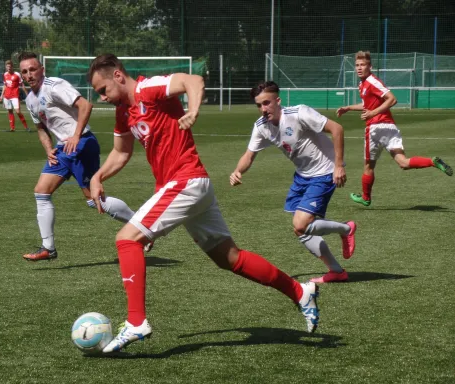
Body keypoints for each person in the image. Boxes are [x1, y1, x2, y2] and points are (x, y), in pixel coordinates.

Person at [87, 53, 321, 354]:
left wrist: (194, 110)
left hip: (185, 182)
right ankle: (301, 291)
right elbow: (121, 152)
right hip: (189, 187)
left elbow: (192, 80)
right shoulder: (124, 112)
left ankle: (136, 322)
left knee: (126, 240)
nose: (103, 98)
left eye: (103, 90)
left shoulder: (148, 89)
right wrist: (98, 176)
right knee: (230, 259)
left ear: (118, 76)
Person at [230, 81, 357, 284]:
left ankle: (346, 229)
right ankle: (336, 270)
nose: (263, 109)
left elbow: (337, 128)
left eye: (267, 103)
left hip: (325, 171)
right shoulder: (261, 126)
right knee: (300, 229)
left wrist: (339, 165)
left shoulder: (299, 114)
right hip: (302, 175)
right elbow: (249, 155)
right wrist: (237, 171)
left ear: (277, 101)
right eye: (259, 105)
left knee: (301, 223)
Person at [18, 52, 138, 261]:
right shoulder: (30, 100)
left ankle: (140, 225)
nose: (29, 74)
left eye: (33, 69)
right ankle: (48, 248)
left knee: (93, 199)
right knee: (41, 192)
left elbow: (85, 105)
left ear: (42, 70)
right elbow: (40, 128)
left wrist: (75, 136)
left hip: (81, 143)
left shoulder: (55, 86)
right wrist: (48, 150)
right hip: (63, 149)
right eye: (24, 72)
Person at [337, 50, 452, 207]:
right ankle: (432, 162)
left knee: (368, 166)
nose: (359, 68)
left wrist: (372, 113)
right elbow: (368, 104)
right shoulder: (363, 84)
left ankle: (366, 197)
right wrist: (349, 107)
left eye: (363, 65)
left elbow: (392, 99)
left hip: (376, 128)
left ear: (370, 66)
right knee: (403, 163)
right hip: (389, 127)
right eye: (357, 65)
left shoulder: (372, 81)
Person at [0, 60, 30, 132]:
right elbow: (5, 85)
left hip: (15, 96)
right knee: (10, 111)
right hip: (7, 96)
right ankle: (12, 128)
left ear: (12, 67)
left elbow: (22, 85)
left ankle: (26, 127)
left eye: (10, 66)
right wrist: (1, 95)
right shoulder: (5, 74)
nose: (9, 68)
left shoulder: (17, 75)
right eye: (7, 66)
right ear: (6, 67)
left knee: (18, 111)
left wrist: (27, 95)